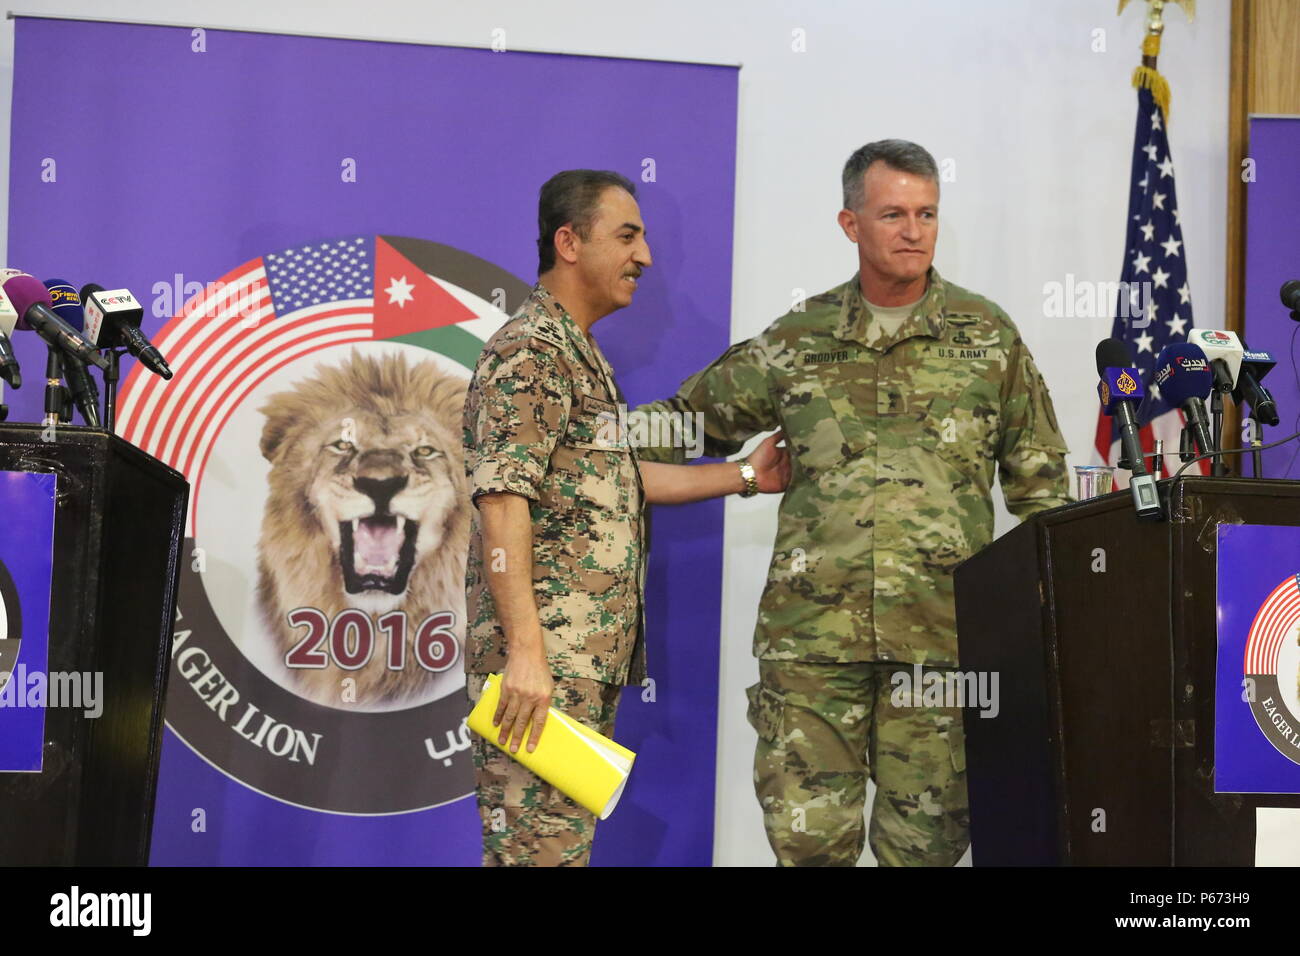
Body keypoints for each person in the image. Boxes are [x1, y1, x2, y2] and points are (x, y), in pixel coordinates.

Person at [635, 140, 1071, 866]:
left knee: (926, 853)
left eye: (927, 213)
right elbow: (686, 422)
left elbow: (1042, 491)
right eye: (893, 213)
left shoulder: (988, 338)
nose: (913, 230)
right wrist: (580, 426)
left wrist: (1045, 631)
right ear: (850, 224)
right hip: (813, 650)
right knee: (808, 850)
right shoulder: (798, 341)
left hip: (942, 648)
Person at [463, 169, 790, 867]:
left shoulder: (579, 355)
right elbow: (502, 500)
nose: (645, 257)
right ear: (569, 242)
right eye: (628, 235)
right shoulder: (531, 352)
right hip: (539, 671)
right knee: (534, 858)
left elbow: (617, 478)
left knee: (555, 855)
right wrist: (525, 651)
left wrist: (743, 477)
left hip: (573, 667)